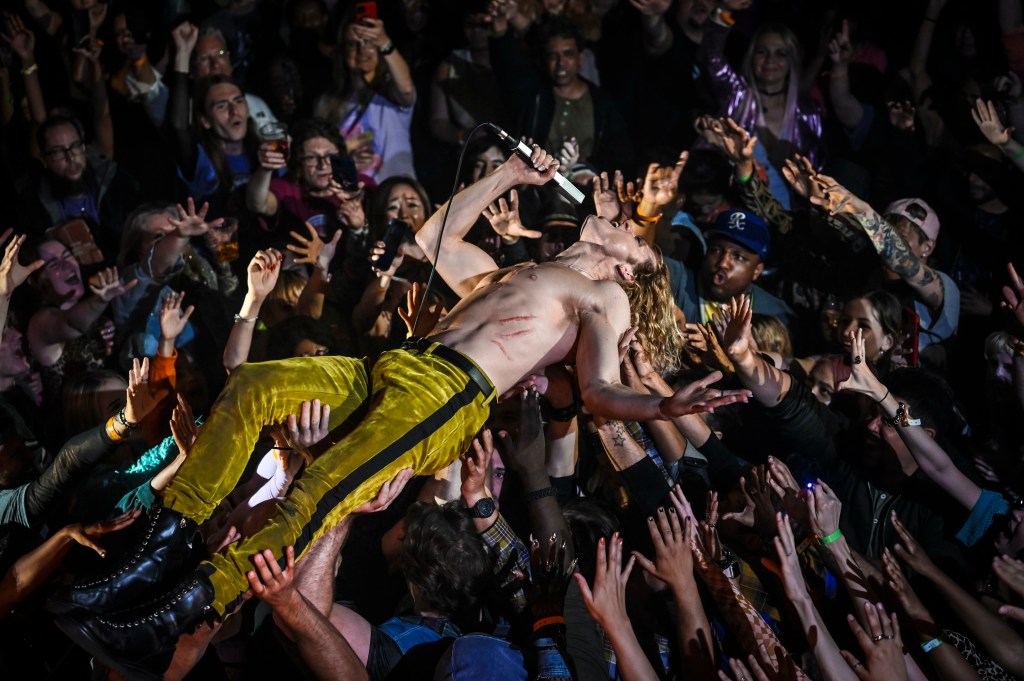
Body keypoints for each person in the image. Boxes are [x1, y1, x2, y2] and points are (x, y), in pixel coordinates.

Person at [51, 145, 750, 678]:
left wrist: (661, 402)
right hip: (400, 363)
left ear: (632, 266)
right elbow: (435, 241)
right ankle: (159, 551)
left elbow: (597, 391)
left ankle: (181, 612)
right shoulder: (525, 269)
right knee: (254, 385)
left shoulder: (606, 297)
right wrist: (508, 174)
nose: (624, 219)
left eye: (634, 233)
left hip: (449, 394)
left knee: (319, 489)